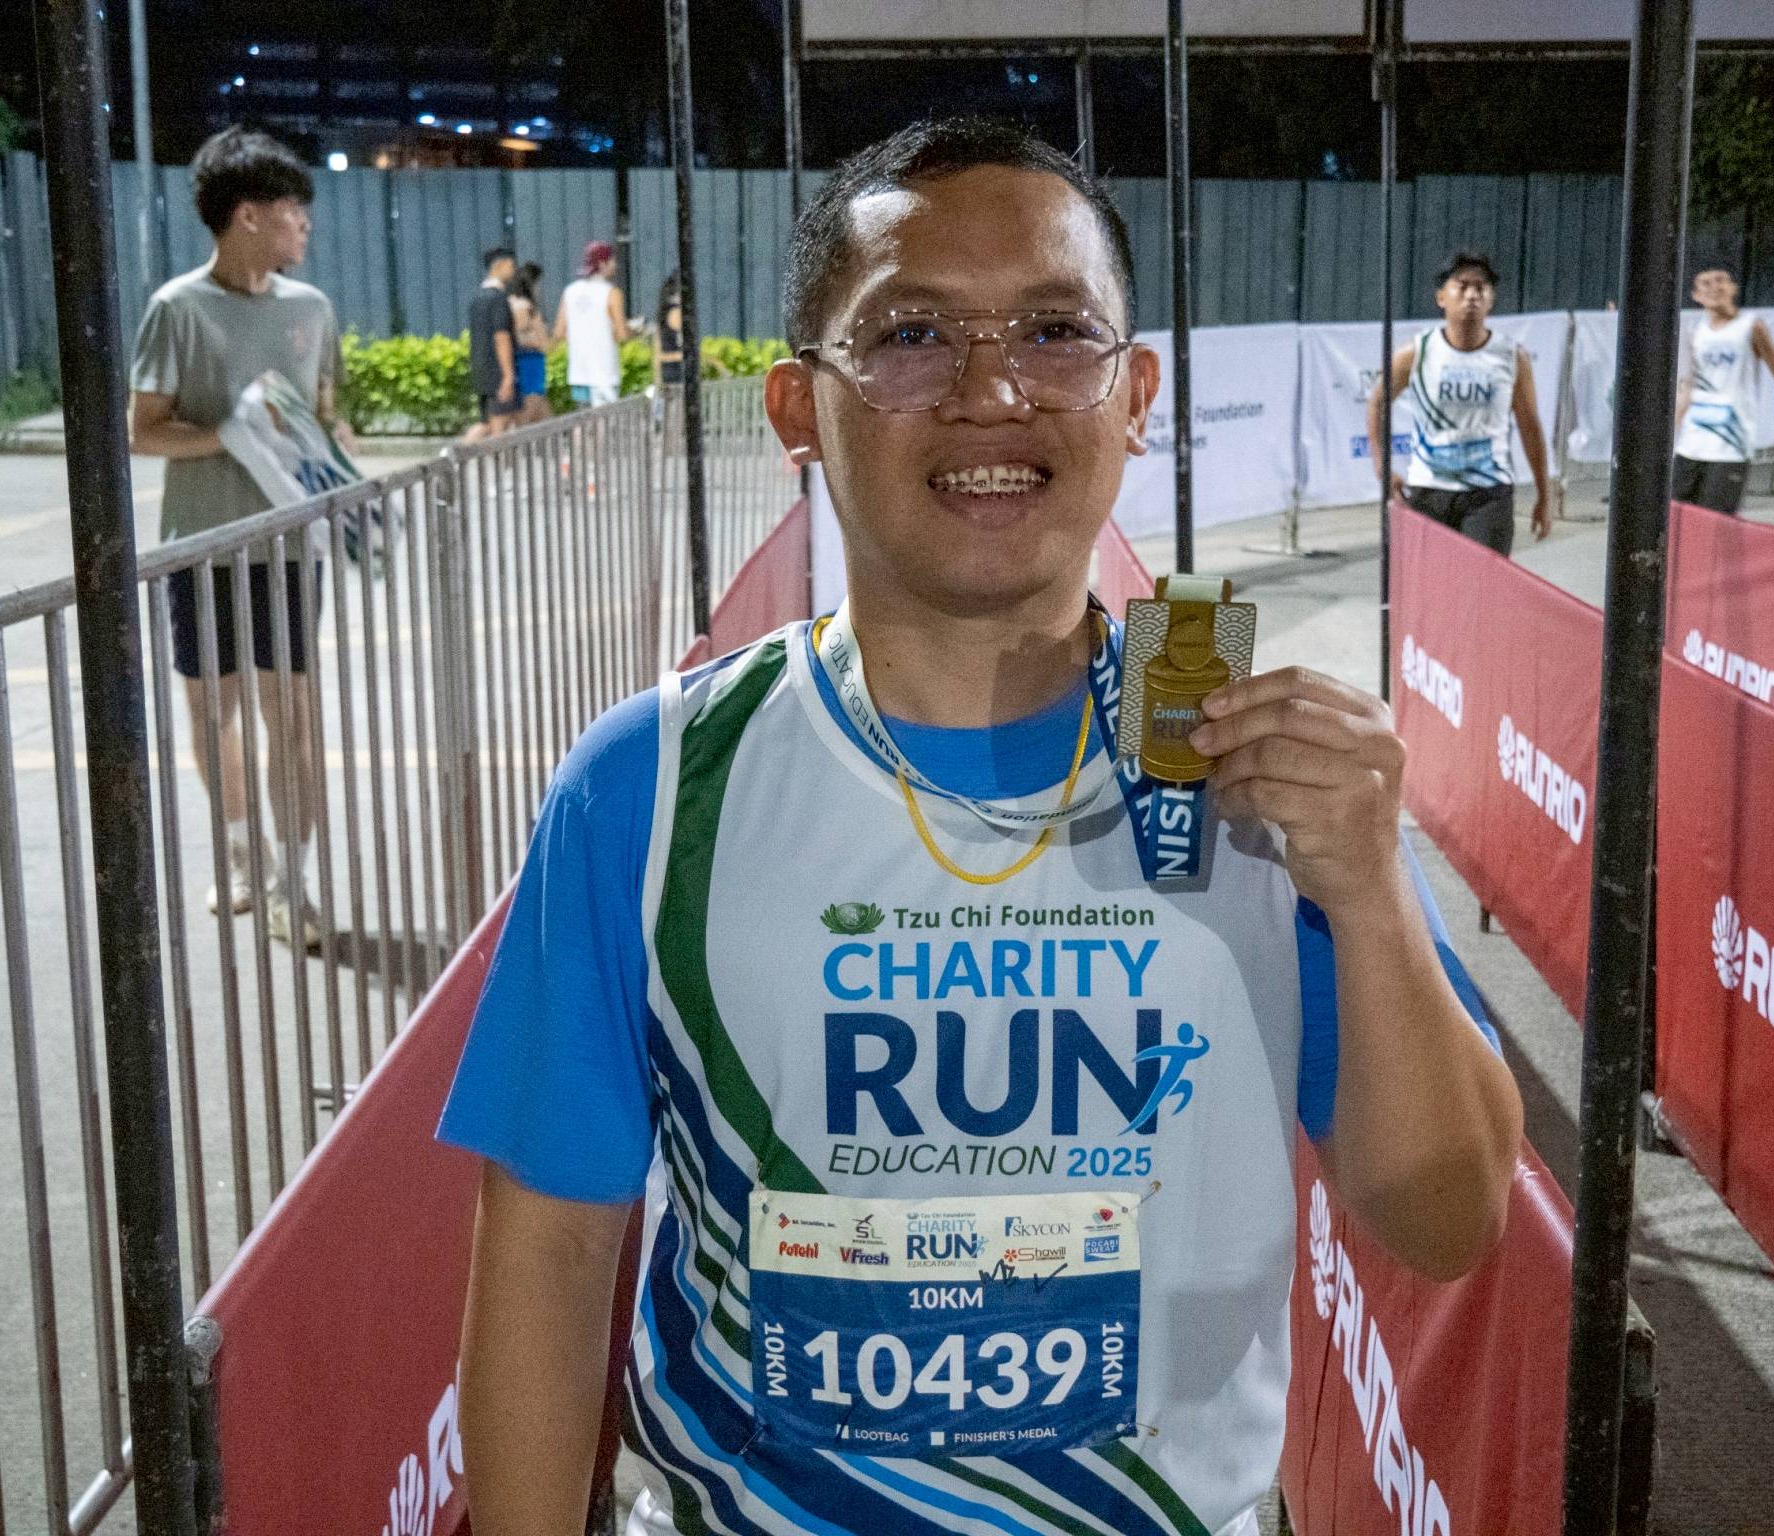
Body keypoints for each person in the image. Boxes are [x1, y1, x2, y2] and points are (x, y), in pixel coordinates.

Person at [441, 116, 1521, 1536]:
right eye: (908, 339)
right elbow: (552, 1264)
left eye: (1057, 331)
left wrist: (1370, 893)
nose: (992, 390)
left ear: (1135, 396)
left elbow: (1449, 1223)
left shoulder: (1256, 774)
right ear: (793, 411)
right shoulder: (649, 787)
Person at [128, 125, 337, 949]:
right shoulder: (176, 309)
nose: (305, 226)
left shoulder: (311, 309)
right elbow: (141, 431)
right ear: (247, 215)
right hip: (203, 544)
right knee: (216, 709)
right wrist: (230, 434)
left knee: (294, 710)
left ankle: (297, 880)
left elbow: (323, 417)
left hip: (288, 545)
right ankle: (244, 855)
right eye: (294, 211)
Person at [1367, 251, 1553, 554]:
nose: (1471, 296)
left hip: (1488, 495)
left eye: (1480, 288)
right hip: (1429, 492)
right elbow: (1377, 403)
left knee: (1481, 595)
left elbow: (1530, 426)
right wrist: (1381, 465)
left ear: (1491, 299)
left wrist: (1545, 495)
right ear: (1442, 297)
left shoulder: (1511, 357)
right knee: (1428, 596)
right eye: (1462, 286)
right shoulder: (1417, 353)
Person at [1671, 264, 1774, 515]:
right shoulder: (1696, 332)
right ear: (1696, 295)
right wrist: (1674, 426)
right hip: (1693, 441)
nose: (1714, 287)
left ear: (1733, 288)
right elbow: (1690, 384)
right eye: (1705, 284)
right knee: (1677, 518)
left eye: (1720, 280)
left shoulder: (1751, 327)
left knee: (1716, 521)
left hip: (1731, 442)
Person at [556, 240, 634, 407]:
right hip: (604, 372)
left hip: (578, 372)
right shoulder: (611, 293)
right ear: (602, 263)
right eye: (612, 261)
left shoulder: (570, 291)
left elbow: (559, 332)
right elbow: (622, 334)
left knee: (582, 426)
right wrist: (635, 331)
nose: (615, 265)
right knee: (604, 427)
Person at [469, 246, 519, 437]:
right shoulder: (498, 299)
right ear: (500, 265)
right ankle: (501, 464)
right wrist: (508, 375)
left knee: (486, 425)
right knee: (499, 425)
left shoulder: (478, 298)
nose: (513, 270)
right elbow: (501, 336)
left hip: (481, 368)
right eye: (511, 265)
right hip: (497, 370)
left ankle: (450, 460)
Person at [511, 261, 553, 426]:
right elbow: (524, 336)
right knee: (530, 413)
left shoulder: (512, 304)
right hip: (530, 364)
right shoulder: (525, 308)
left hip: (525, 364)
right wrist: (537, 340)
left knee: (542, 414)